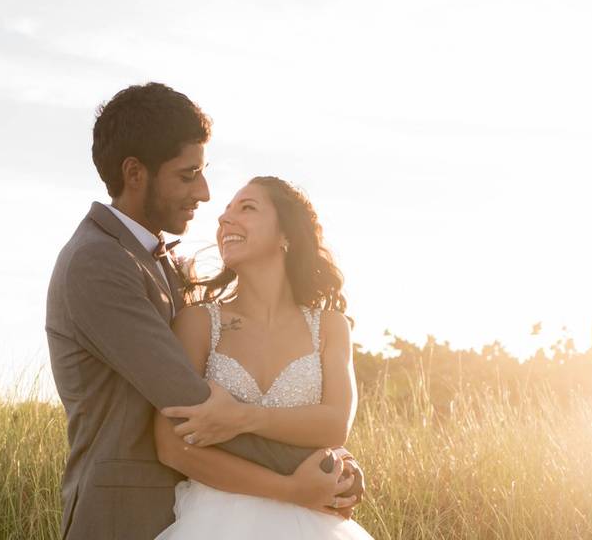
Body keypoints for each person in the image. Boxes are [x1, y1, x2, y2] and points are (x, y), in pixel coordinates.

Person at [45, 83, 364, 540]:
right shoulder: (97, 262)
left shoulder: (164, 263)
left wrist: (332, 462)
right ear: (135, 173)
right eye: (187, 174)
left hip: (193, 509)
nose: (205, 193)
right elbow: (193, 407)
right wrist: (326, 471)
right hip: (124, 517)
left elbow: (235, 415)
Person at [152, 176, 373, 539]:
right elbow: (171, 447)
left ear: (286, 234)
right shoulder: (198, 322)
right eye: (224, 213)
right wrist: (290, 490)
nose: (225, 220)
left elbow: (334, 424)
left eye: (247, 207)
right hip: (214, 522)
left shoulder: (330, 327)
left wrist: (242, 417)